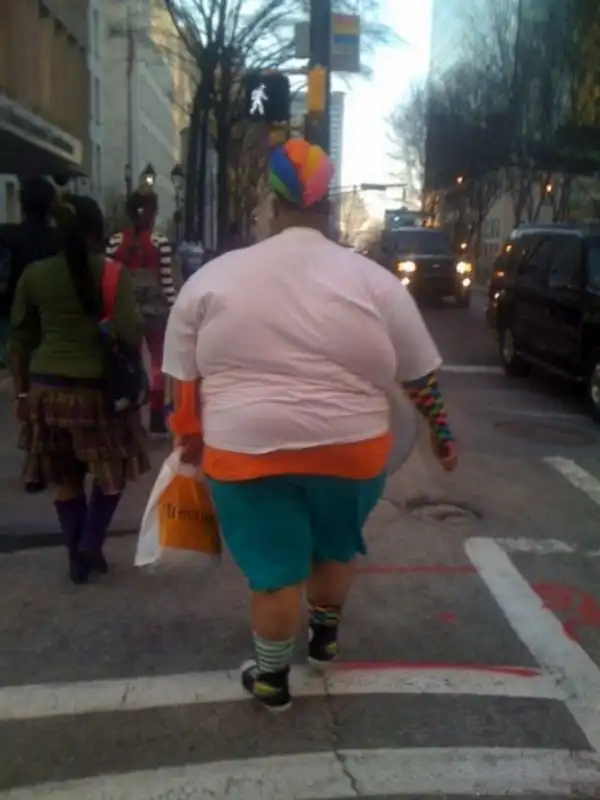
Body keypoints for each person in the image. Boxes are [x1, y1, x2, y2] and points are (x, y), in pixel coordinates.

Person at [162, 138, 458, 713]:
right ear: (328, 206)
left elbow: (183, 377)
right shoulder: (374, 282)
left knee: (275, 574)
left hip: (245, 454)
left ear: (272, 204)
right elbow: (420, 375)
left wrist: (188, 437)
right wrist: (443, 437)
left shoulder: (214, 279)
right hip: (352, 453)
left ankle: (272, 682)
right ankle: (323, 642)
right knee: (334, 549)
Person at [9, 195, 150, 584]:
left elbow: (19, 341)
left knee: (67, 477)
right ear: (95, 230)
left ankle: (77, 556)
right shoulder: (113, 274)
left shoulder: (35, 275)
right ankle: (90, 540)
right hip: (97, 393)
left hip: (47, 391)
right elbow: (130, 333)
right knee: (112, 473)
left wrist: (21, 393)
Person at [0, 176, 62, 494]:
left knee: (25, 392)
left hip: (16, 322)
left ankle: (34, 457)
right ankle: (45, 457)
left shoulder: (7, 236)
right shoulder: (58, 240)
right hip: (51, 323)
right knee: (48, 391)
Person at [106, 189, 177, 433]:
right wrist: (175, 308)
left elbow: (109, 279)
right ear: (154, 212)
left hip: (125, 310)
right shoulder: (160, 242)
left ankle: (132, 414)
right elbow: (167, 283)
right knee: (158, 362)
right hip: (156, 309)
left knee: (130, 360)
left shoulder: (115, 242)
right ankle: (156, 415)